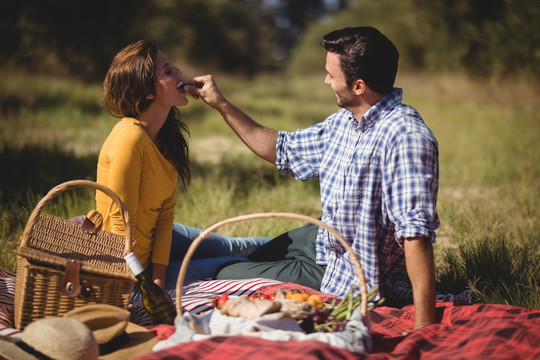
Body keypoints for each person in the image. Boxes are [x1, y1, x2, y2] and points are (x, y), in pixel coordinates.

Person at [184, 27, 439, 331]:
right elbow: (281, 149)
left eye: (331, 75)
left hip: (337, 272)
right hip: (319, 238)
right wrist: (220, 104)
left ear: (358, 86)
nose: (326, 80)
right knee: (199, 244)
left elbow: (416, 235)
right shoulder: (345, 122)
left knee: (206, 272)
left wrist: (424, 329)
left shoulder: (406, 137)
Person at [96, 40, 270, 292]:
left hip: (157, 237)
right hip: (128, 268)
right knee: (237, 264)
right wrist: (153, 282)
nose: (179, 72)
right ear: (148, 92)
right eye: (167, 70)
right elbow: (122, 225)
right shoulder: (129, 138)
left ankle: (316, 247)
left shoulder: (166, 138)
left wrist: (160, 272)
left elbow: (165, 217)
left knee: (240, 246)